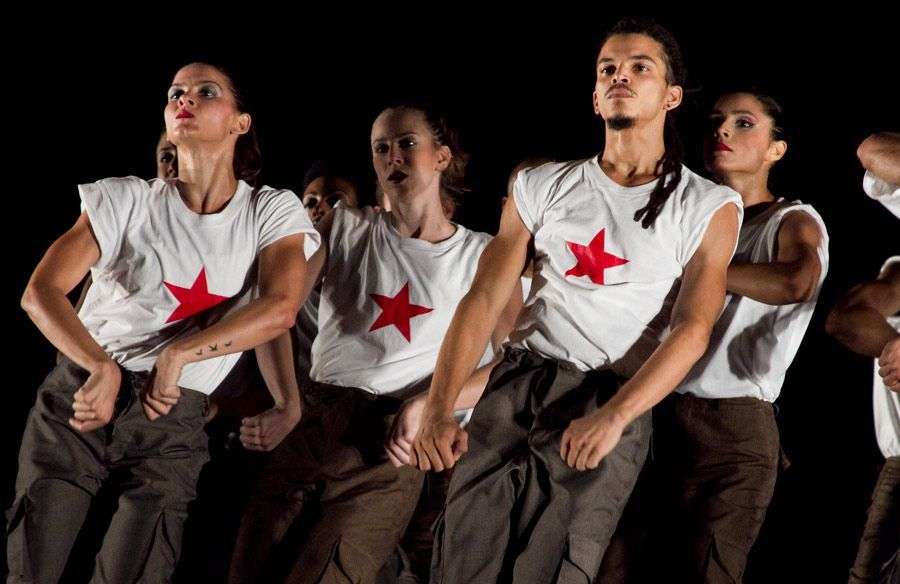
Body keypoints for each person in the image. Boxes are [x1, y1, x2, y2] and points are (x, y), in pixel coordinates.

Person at [412, 17, 743, 583]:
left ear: (671, 96)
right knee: (462, 556)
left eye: (641, 67)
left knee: (553, 567)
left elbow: (692, 331)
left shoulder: (708, 205)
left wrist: (616, 417)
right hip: (518, 381)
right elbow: (484, 296)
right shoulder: (541, 184)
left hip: (608, 395)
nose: (621, 76)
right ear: (594, 97)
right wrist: (440, 408)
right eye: (608, 69)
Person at [7, 62, 318, 583]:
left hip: (172, 416)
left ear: (241, 122)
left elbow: (280, 308)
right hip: (81, 399)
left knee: (136, 570)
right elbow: (40, 292)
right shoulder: (126, 198)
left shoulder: (270, 211)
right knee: (34, 568)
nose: (185, 99)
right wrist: (99, 366)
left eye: (205, 91)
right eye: (176, 92)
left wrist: (178, 356)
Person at [229, 103, 520, 584]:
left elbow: (509, 365)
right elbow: (275, 311)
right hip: (317, 416)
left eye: (408, 143)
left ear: (442, 155)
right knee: (251, 566)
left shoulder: (482, 254)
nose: (393, 157)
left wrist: (431, 405)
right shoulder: (345, 225)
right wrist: (286, 403)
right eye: (381, 148)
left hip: (390, 443)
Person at [654, 89, 828, 583]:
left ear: (777, 149)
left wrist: (707, 273)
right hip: (657, 414)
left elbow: (796, 281)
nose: (722, 131)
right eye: (714, 122)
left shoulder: (791, 219)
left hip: (730, 423)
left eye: (743, 123)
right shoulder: (687, 219)